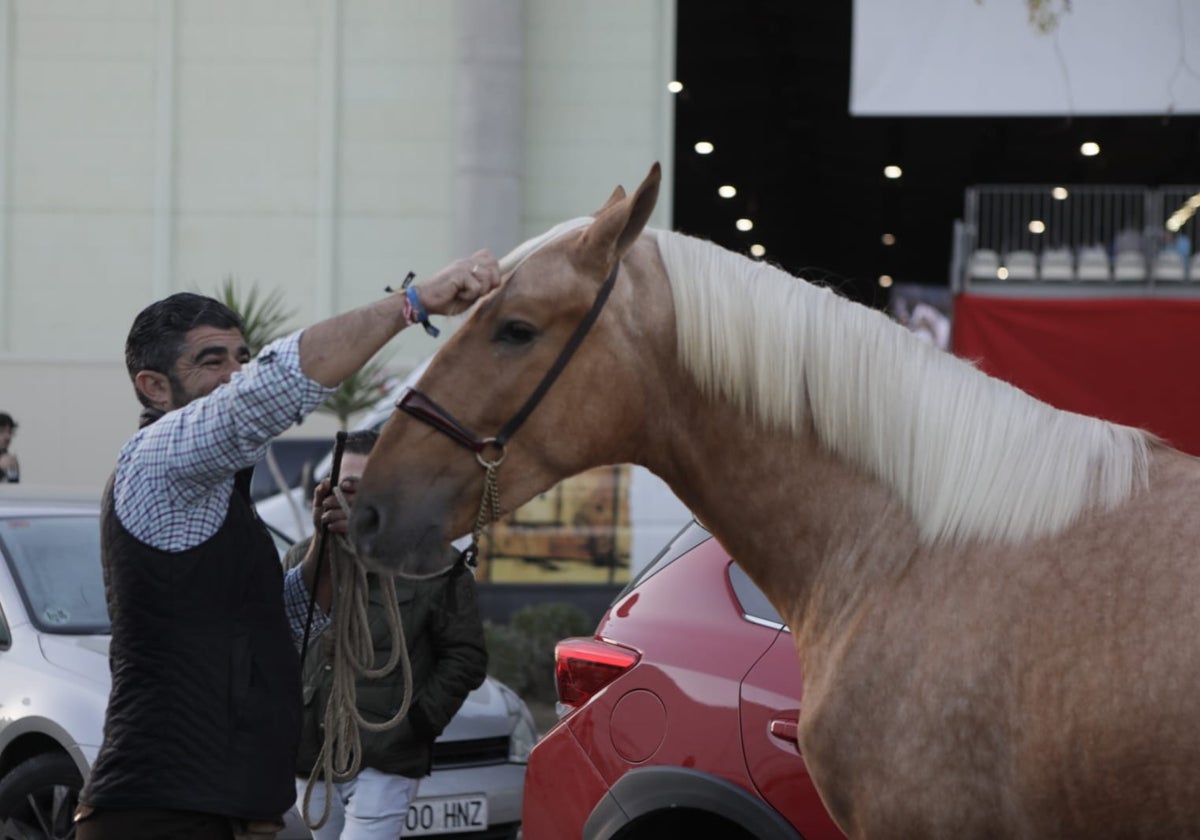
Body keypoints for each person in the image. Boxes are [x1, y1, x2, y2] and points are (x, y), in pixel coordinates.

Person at [74, 250, 500, 840]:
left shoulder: (221, 497)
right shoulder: (156, 461)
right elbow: (264, 394)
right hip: (162, 812)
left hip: (238, 808)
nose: (236, 374)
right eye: (211, 361)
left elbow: (282, 622)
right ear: (154, 386)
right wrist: (414, 303)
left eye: (242, 357)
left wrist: (328, 548)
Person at [283, 430, 487, 839]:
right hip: (313, 753)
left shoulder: (435, 562)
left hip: (384, 755)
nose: (353, 496)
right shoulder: (305, 555)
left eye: (367, 486)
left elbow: (465, 657)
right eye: (344, 486)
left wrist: (415, 724)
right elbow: (282, 643)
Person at [0, 412, 18, 482]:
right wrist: (1, 469)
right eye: (1, 431)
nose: (7, 437)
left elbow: (14, 490)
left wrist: (13, 472)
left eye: (9, 432)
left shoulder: (8, 458)